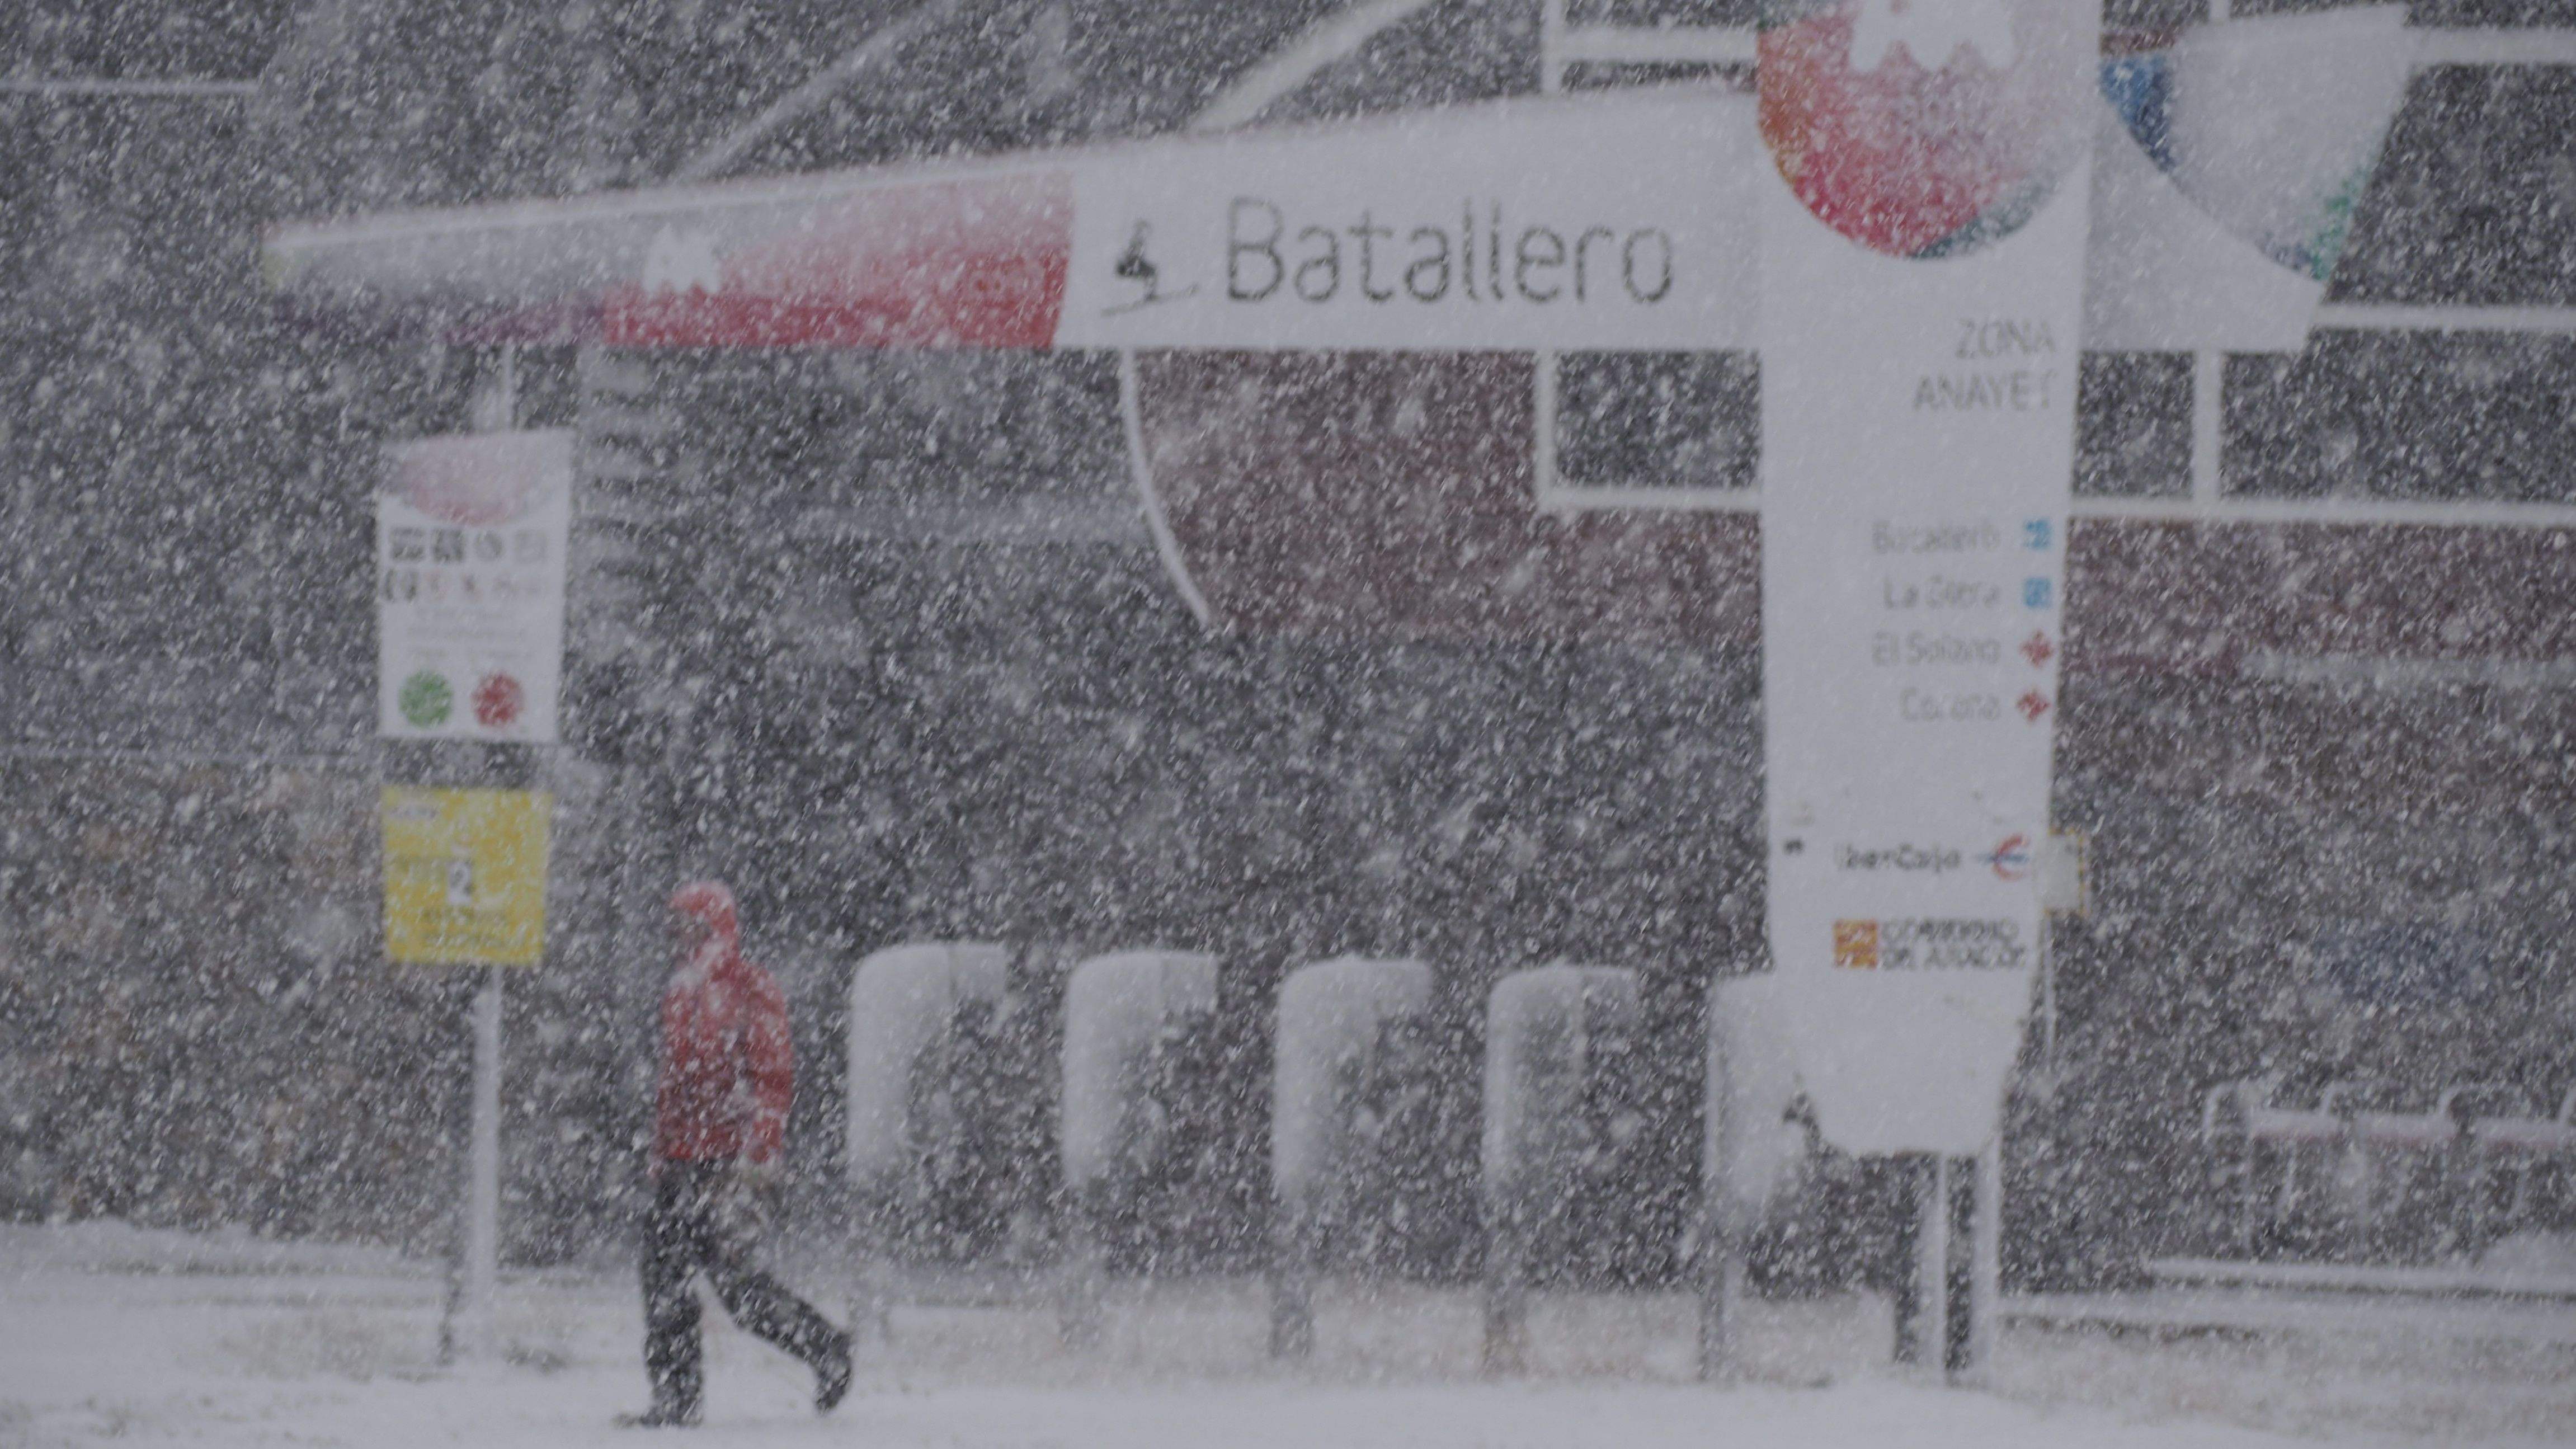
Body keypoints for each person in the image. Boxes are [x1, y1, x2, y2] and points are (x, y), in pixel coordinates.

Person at [627, 880, 852, 1428]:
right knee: (662, 1279)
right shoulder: (680, 992)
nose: (678, 935)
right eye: (673, 924)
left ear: (714, 927)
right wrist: (661, 1151)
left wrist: (759, 1152)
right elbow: (669, 1086)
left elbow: (774, 1078)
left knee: (737, 1288)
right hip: (682, 1160)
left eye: (689, 924)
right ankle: (675, 1401)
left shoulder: (752, 987)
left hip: (730, 1162)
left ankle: (828, 1349)